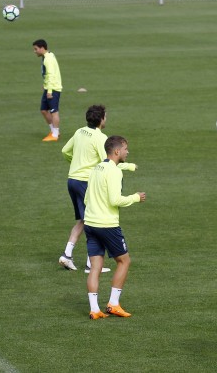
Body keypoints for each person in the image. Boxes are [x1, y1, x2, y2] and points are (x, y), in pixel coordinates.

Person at [59, 105, 137, 273]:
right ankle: (90, 264)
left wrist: (75, 164)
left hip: (72, 179)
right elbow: (107, 163)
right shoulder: (100, 137)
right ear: (101, 119)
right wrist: (128, 166)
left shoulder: (79, 131)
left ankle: (67, 254)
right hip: (84, 181)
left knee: (83, 219)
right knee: (92, 218)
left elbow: (65, 150)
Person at [84, 136, 145, 320]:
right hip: (107, 225)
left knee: (95, 266)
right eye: (126, 149)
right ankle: (113, 304)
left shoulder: (96, 168)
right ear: (117, 151)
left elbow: (86, 198)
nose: (127, 152)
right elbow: (115, 200)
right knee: (124, 261)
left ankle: (95, 310)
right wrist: (135, 197)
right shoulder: (114, 171)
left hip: (90, 224)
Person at [33, 39, 62, 142]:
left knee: (54, 111)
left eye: (36, 49)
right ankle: (54, 131)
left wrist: (49, 90)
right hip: (49, 87)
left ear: (42, 48)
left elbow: (50, 74)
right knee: (43, 110)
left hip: (53, 89)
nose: (34, 51)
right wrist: (45, 85)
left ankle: (55, 135)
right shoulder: (48, 56)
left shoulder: (48, 59)